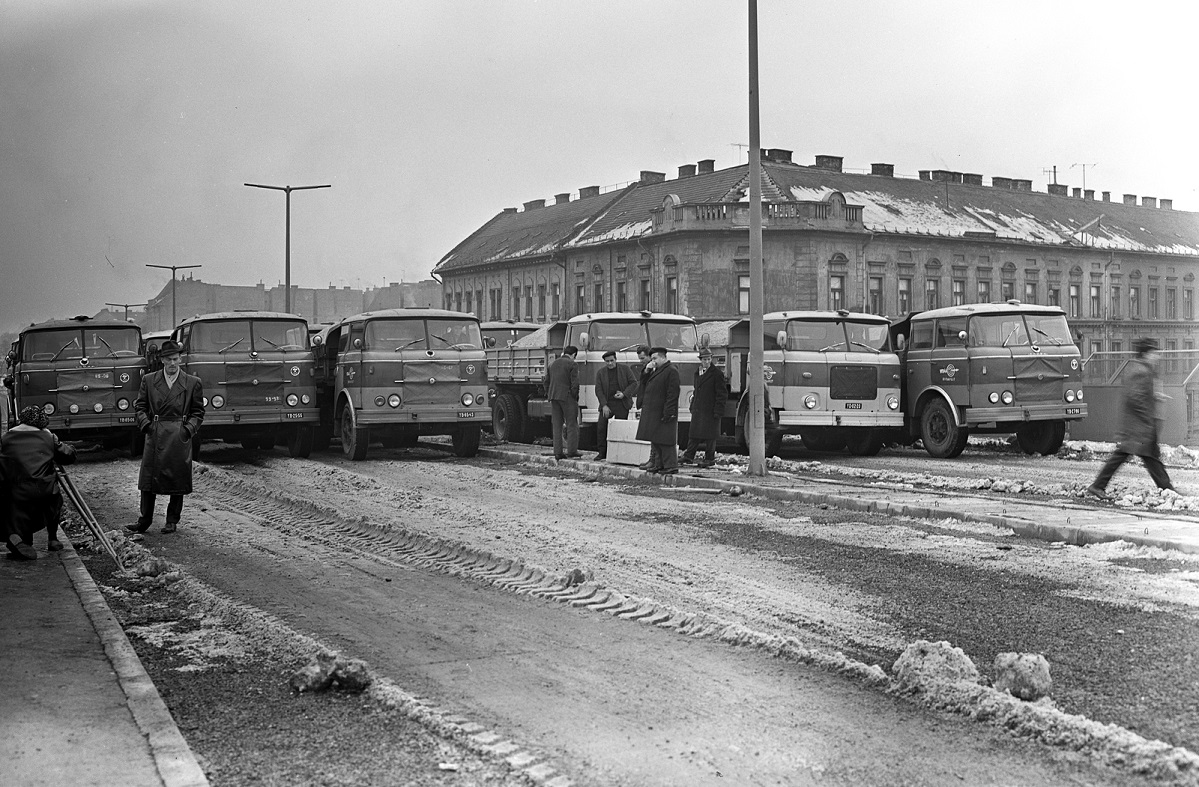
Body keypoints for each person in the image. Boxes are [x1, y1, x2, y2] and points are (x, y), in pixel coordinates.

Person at [128, 340, 204, 534]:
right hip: (156, 433)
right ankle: (144, 520)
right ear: (162, 360)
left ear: (180, 359)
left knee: (177, 478)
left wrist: (187, 430)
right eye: (169, 359)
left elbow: (198, 412)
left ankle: (172, 520)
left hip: (178, 435)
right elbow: (140, 407)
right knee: (148, 480)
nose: (172, 363)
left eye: (176, 359)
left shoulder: (192, 382)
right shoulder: (149, 380)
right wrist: (147, 426)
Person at [1088, 337, 1175, 500]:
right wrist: (1147, 417)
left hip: (1137, 424)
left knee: (1147, 456)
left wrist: (1154, 396)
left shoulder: (1141, 369)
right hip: (1138, 424)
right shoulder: (1141, 371)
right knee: (1134, 455)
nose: (1157, 356)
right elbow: (1135, 397)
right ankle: (1097, 485)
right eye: (1154, 353)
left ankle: (1166, 488)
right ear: (1146, 354)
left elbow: (1139, 394)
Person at [1, 405, 77, 560]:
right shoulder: (48, 436)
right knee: (55, 501)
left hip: (17, 492)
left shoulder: (6, 438)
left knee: (16, 510)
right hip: (45, 490)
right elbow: (68, 456)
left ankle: (22, 541)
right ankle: (53, 539)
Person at [636, 347, 681, 474]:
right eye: (652, 359)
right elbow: (644, 382)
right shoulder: (656, 370)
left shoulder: (671, 371)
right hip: (654, 411)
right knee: (656, 438)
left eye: (655, 358)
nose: (653, 361)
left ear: (663, 357)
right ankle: (659, 463)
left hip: (664, 410)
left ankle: (670, 465)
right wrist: (647, 370)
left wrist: (669, 411)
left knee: (666, 439)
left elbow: (673, 393)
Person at [681, 348, 727, 468]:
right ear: (700, 360)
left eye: (709, 359)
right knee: (694, 434)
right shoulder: (698, 373)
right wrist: (692, 406)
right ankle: (688, 456)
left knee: (710, 436)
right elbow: (697, 390)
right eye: (704, 359)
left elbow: (721, 394)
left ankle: (709, 458)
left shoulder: (717, 374)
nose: (707, 361)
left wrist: (718, 410)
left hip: (710, 409)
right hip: (698, 408)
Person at [594, 350, 637, 461]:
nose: (610, 363)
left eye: (612, 361)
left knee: (620, 429)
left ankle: (620, 454)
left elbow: (633, 383)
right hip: (607, 404)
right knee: (601, 428)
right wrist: (604, 405)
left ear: (616, 359)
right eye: (607, 361)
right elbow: (598, 390)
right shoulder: (601, 373)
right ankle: (602, 452)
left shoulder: (625, 369)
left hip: (622, 404)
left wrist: (624, 394)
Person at [545, 345, 580, 461]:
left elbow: (546, 382)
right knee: (571, 424)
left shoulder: (552, 364)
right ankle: (572, 451)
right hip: (567, 396)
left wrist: (549, 393)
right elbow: (575, 384)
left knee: (557, 425)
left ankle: (558, 452)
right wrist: (574, 397)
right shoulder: (572, 364)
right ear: (574, 354)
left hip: (554, 397)